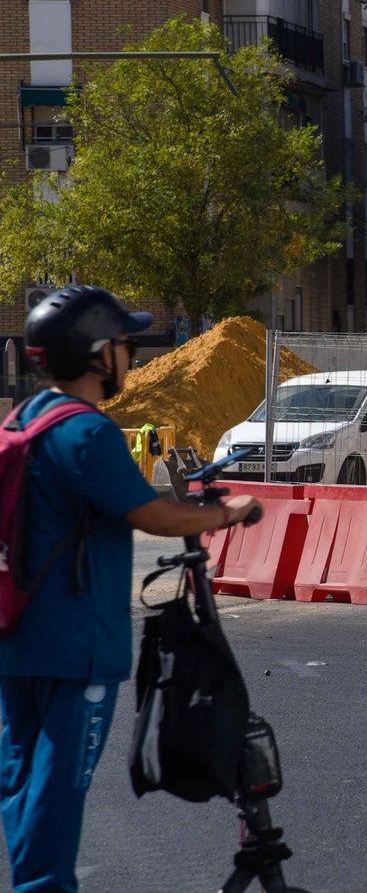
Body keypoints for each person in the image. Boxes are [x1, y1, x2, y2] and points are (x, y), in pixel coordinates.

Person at [0, 286, 261, 893]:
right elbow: (153, 513)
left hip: (17, 635)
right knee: (57, 788)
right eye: (123, 343)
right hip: (77, 646)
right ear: (98, 355)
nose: (131, 355)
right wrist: (228, 513)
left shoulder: (22, 420)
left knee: (21, 778)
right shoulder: (87, 432)